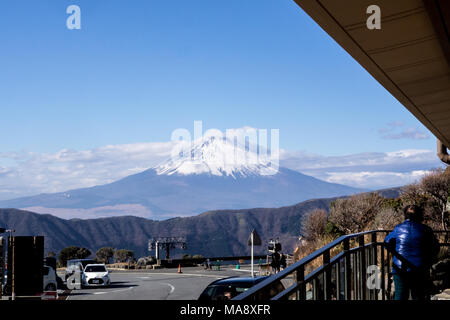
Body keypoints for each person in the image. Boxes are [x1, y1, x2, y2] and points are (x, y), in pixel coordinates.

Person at [384, 205, 440, 300]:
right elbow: (435, 248)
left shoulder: (398, 228)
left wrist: (396, 253)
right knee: (419, 296)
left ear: (405, 215)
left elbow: (386, 243)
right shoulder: (426, 229)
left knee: (400, 296)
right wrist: (427, 259)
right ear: (420, 215)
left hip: (400, 268)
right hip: (420, 269)